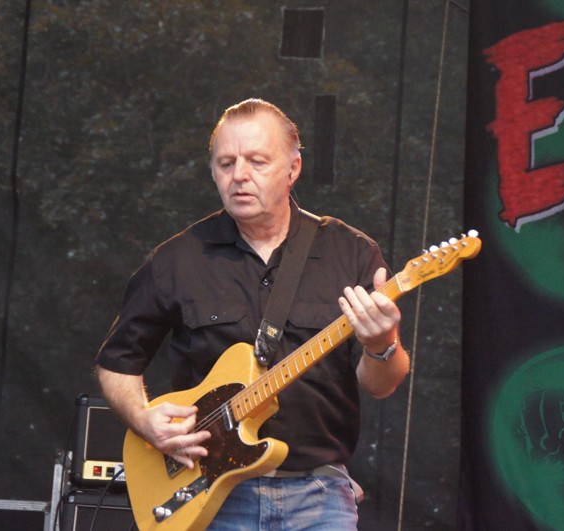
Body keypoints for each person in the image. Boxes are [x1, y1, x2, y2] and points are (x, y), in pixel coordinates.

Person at [95, 98, 410, 530]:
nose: (239, 175)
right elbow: (117, 363)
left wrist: (381, 343)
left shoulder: (350, 252)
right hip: (207, 493)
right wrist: (143, 420)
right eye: (226, 163)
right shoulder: (178, 259)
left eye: (257, 161)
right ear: (213, 171)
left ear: (293, 169)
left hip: (318, 496)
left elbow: (382, 384)